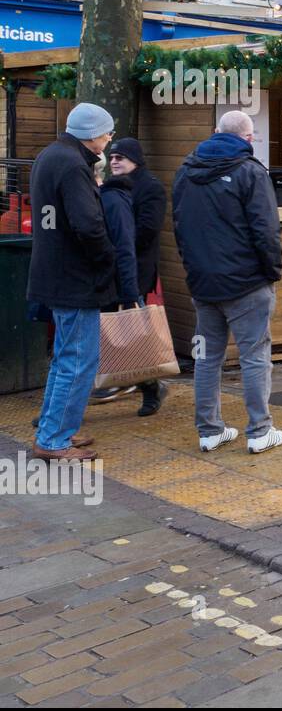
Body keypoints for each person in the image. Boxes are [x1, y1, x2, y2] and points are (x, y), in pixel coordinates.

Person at [173, 111, 282, 454]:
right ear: (248, 139)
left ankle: (209, 431)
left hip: (203, 283)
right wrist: (273, 271)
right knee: (254, 356)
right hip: (247, 283)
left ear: (214, 132)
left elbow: (179, 227)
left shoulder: (185, 172)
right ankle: (259, 431)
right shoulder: (251, 172)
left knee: (206, 357)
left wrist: (193, 269)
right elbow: (266, 231)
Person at [28, 103, 117, 461]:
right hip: (75, 278)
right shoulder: (72, 164)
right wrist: (107, 258)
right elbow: (87, 225)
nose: (110, 137)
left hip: (55, 273)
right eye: (107, 131)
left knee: (66, 357)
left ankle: (57, 428)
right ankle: (53, 440)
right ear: (92, 134)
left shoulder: (50, 155)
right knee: (78, 361)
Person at [97, 137, 167, 416]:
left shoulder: (150, 187)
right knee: (110, 330)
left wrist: (117, 242)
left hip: (134, 270)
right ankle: (116, 379)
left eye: (121, 157)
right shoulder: (109, 188)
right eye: (112, 157)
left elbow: (148, 230)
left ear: (135, 159)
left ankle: (151, 387)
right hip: (110, 271)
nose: (114, 161)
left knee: (135, 333)